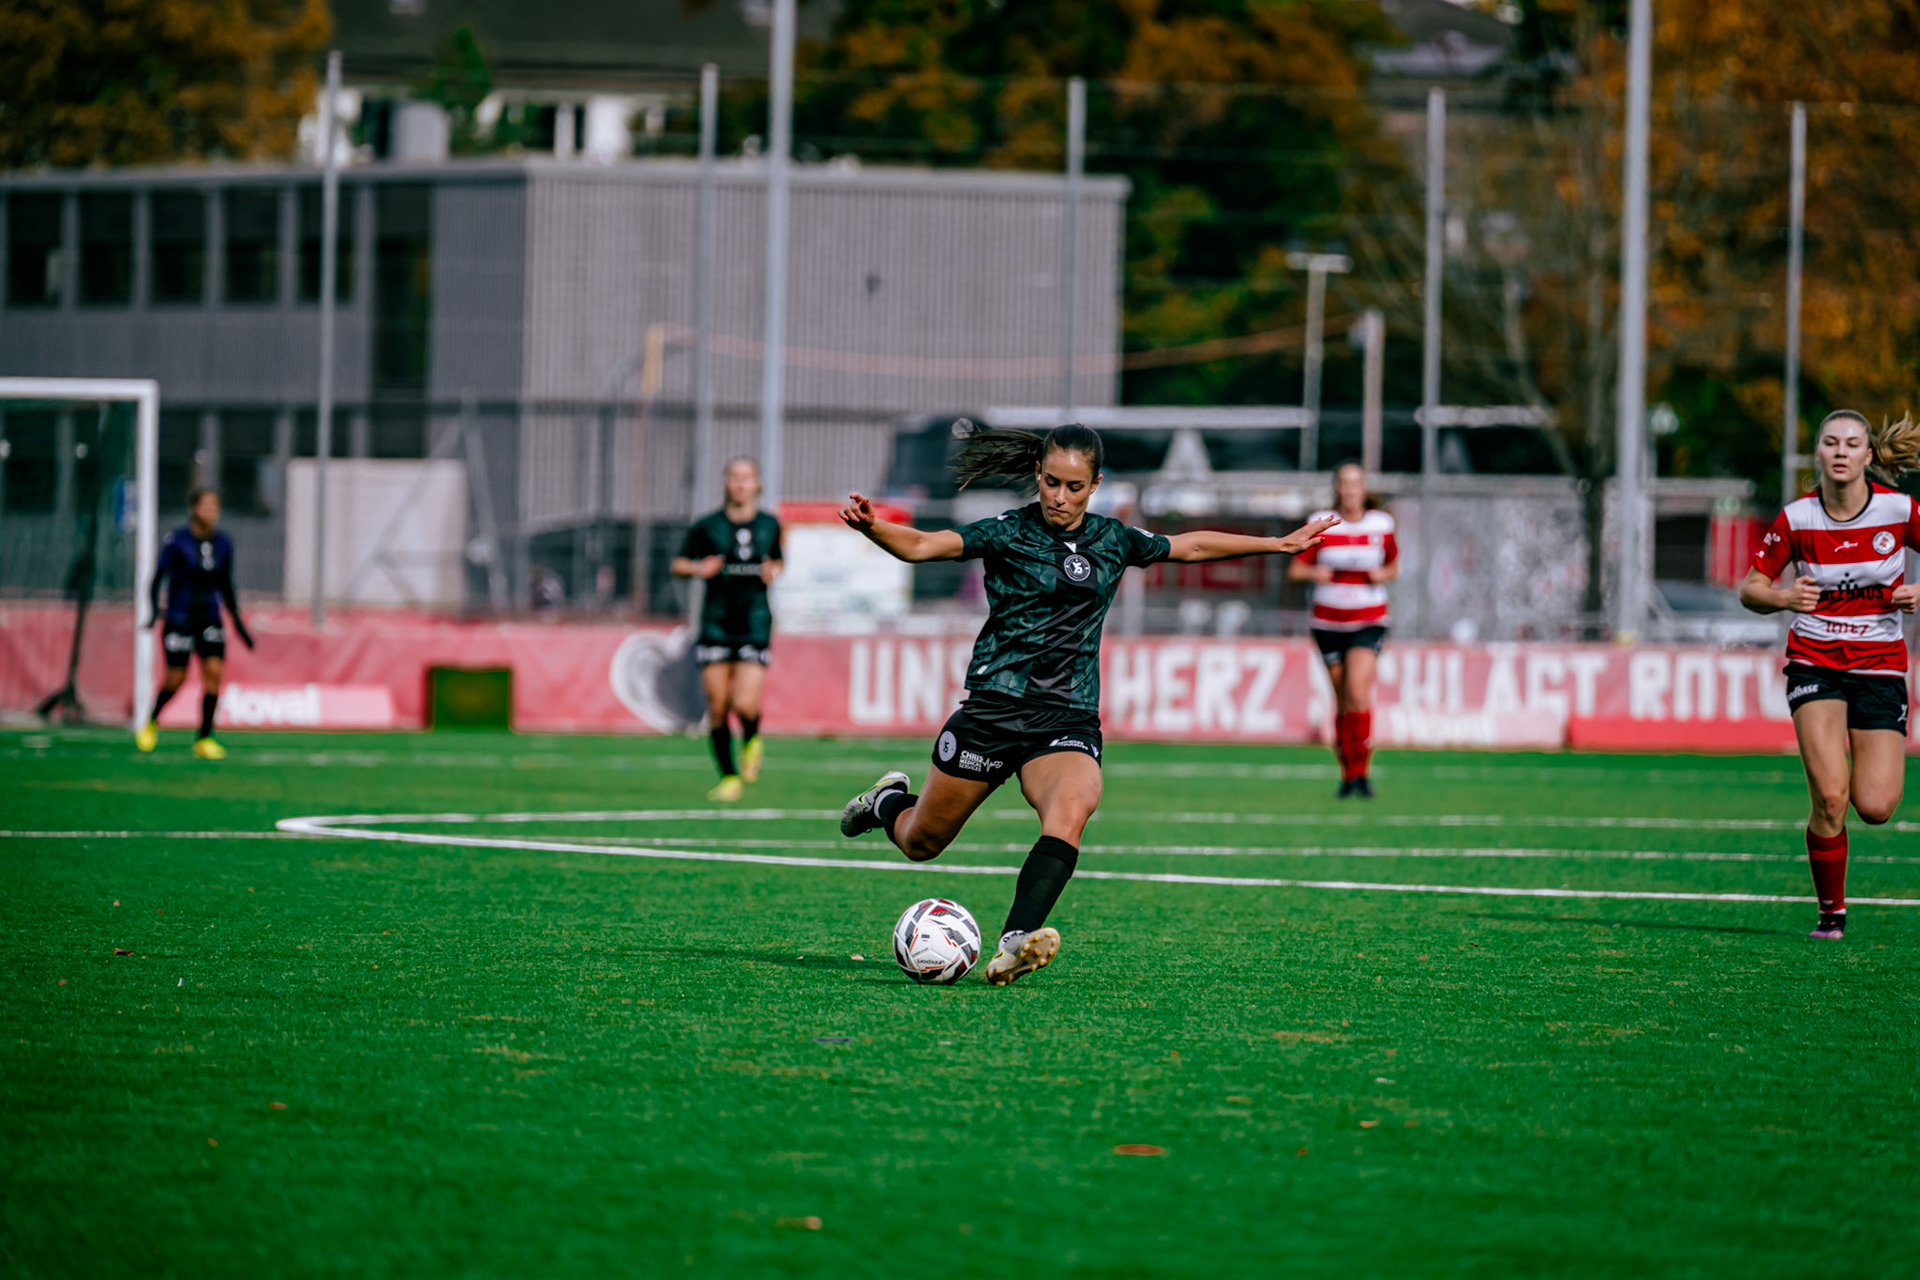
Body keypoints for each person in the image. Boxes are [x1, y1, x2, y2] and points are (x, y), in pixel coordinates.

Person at [835, 423, 1335, 985]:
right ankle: (885, 804)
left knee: (1072, 808)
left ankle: (1014, 942)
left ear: (1095, 484)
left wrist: (1278, 543)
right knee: (922, 842)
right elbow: (926, 545)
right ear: (1037, 476)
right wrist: (875, 527)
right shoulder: (1006, 532)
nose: (1060, 497)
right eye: (1051, 482)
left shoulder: (1112, 538)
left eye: (1075, 486)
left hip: (1066, 716)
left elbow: (1188, 545)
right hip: (993, 710)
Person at [1740, 410, 1920, 940]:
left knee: (1876, 805)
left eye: (1851, 444)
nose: (1840, 451)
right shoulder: (1797, 519)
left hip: (1881, 667)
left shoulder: (1899, 510)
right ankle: (1831, 913)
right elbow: (1750, 587)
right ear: (1817, 454)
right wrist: (1781, 597)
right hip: (1814, 662)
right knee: (1832, 797)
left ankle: (1834, 890)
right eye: (1830, 442)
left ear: (1868, 456)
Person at [671, 458, 785, 802]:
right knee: (718, 706)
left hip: (754, 622)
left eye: (746, 478)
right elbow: (678, 564)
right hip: (716, 624)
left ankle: (751, 738)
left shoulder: (769, 524)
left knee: (744, 704)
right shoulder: (708, 525)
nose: (739, 484)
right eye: (734, 478)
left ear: (757, 485)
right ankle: (729, 777)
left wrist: (774, 570)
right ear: (726, 484)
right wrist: (697, 568)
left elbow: (778, 560)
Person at [1289, 462, 1399, 798]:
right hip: (1327, 622)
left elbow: (1393, 564)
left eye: (1356, 484)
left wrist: (1385, 574)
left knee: (1357, 690)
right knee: (1341, 699)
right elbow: (1296, 569)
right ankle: (1347, 773)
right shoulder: (1321, 522)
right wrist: (1314, 574)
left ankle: (1360, 772)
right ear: (1337, 488)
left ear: (1364, 489)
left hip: (1368, 620)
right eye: (1345, 484)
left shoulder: (1381, 524)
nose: (1351, 490)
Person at [135, 487, 254, 758]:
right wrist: (155, 612)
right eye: (207, 505)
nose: (212, 511)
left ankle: (204, 738)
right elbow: (157, 579)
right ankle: (152, 721)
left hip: (210, 617)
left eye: (216, 506)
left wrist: (238, 624)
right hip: (179, 617)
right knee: (176, 678)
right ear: (194, 509)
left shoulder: (224, 543)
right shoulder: (177, 541)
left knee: (214, 674)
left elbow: (226, 584)